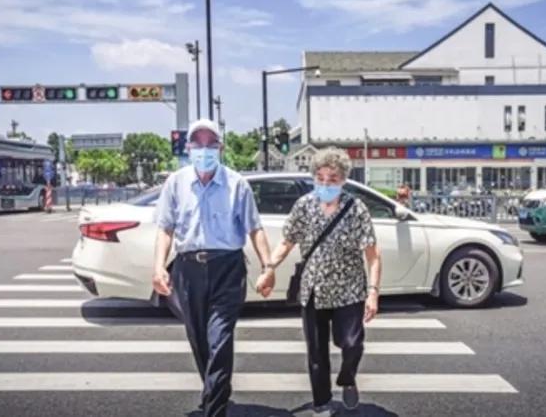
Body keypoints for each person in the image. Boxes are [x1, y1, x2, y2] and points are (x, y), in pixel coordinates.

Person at [152, 119, 273, 417]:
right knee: (199, 339)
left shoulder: (237, 184)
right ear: (189, 147)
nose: (204, 150)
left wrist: (267, 267)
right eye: (198, 144)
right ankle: (215, 390)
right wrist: (158, 267)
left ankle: (215, 409)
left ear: (220, 148)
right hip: (188, 270)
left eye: (211, 144)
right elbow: (165, 229)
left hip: (227, 269)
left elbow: (255, 229)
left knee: (219, 339)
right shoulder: (176, 183)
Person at [255, 147, 382, 416]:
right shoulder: (304, 205)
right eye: (321, 177)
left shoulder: (355, 208)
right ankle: (321, 402)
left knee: (351, 343)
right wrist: (269, 268)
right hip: (313, 289)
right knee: (316, 352)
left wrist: (372, 292)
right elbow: (287, 242)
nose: (325, 183)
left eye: (332, 178)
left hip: (349, 289)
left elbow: (372, 255)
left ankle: (347, 377)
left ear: (343, 179)